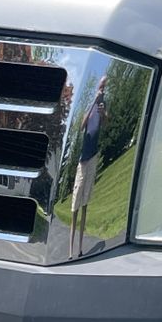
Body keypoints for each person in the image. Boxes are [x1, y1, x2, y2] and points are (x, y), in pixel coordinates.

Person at [68, 84, 109, 256]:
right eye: (100, 87)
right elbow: (81, 126)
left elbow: (106, 125)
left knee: (85, 203)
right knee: (75, 206)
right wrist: (93, 103)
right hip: (83, 161)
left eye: (104, 88)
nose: (101, 91)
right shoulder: (90, 107)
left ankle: (80, 249)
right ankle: (70, 250)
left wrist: (103, 114)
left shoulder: (102, 109)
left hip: (93, 158)